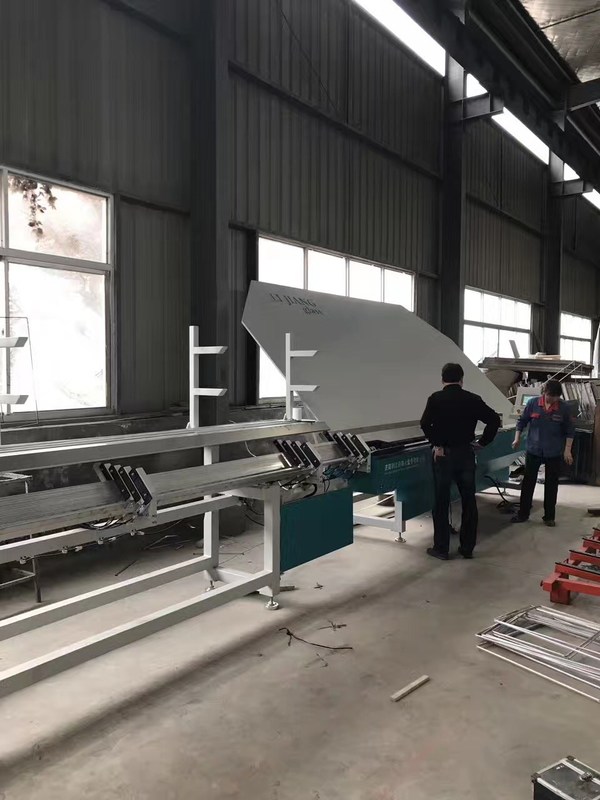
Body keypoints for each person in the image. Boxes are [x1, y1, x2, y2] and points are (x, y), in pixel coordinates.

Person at [420, 363, 501, 561]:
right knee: (468, 501)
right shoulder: (472, 399)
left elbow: (424, 424)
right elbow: (494, 420)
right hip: (465, 454)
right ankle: (467, 548)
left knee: (441, 502)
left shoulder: (435, 399)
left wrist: (437, 444)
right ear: (462, 380)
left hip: (443, 456)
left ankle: (441, 548)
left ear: (442, 379)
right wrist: (482, 443)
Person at [511, 380, 574, 527]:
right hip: (534, 449)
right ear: (544, 392)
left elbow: (570, 430)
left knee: (551, 485)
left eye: (556, 397)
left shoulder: (564, 408)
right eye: (550, 396)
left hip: (553, 451)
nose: (553, 399)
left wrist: (567, 450)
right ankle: (523, 513)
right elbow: (521, 422)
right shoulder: (533, 403)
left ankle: (549, 517)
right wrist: (517, 438)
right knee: (528, 482)